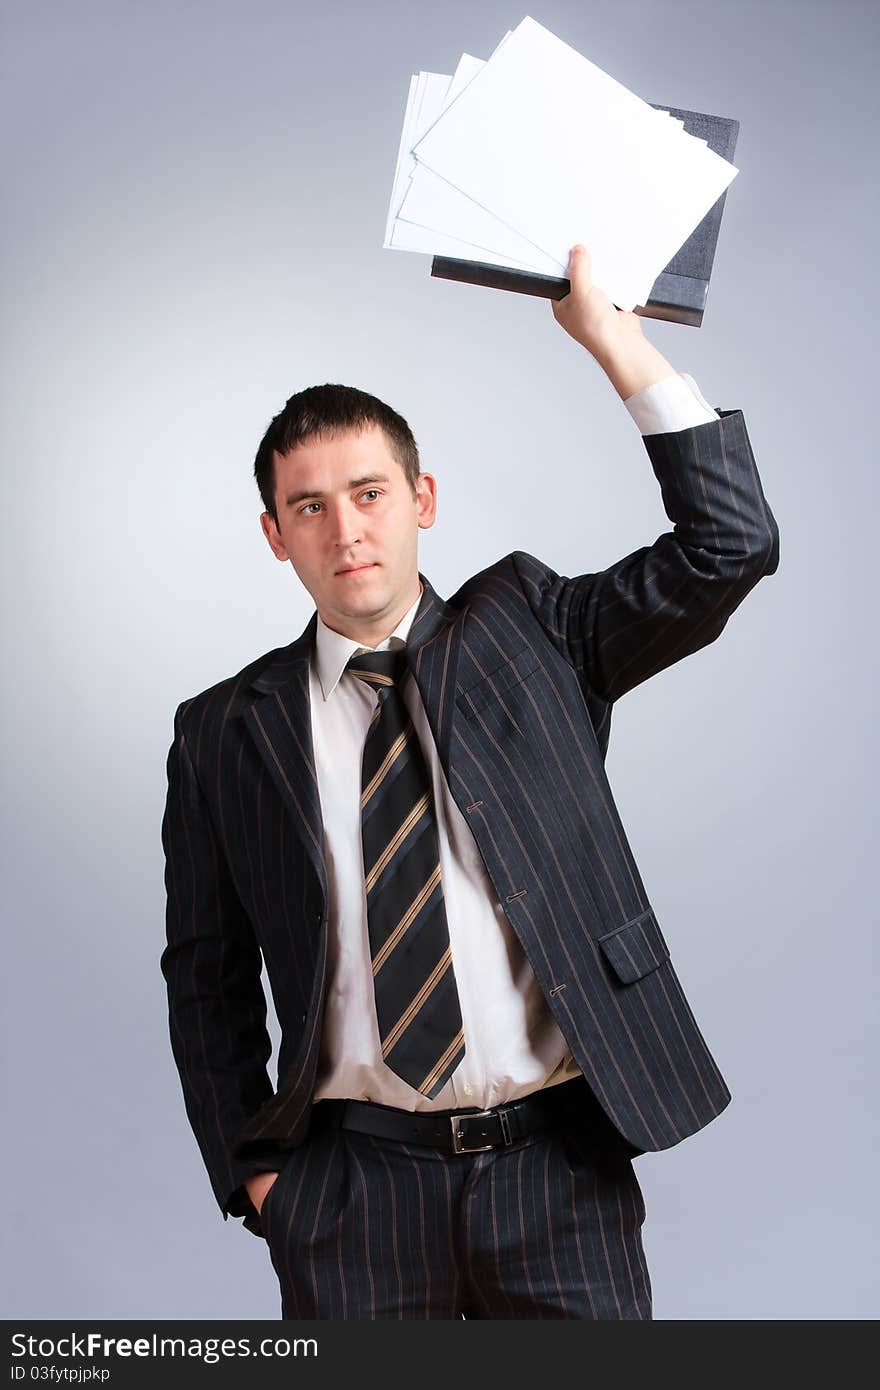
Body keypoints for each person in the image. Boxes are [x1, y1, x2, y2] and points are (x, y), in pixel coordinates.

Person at [160, 244, 780, 1319]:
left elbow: (729, 546)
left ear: (422, 498)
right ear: (274, 535)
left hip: (557, 1174)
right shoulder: (224, 729)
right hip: (350, 1194)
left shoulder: (530, 629)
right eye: (309, 507)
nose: (346, 529)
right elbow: (204, 978)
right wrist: (257, 1178)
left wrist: (614, 340)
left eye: (368, 492)